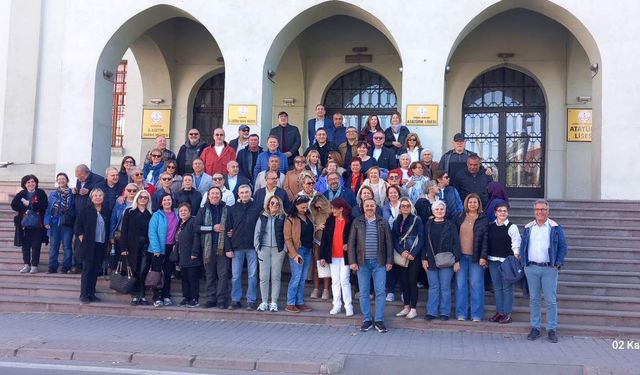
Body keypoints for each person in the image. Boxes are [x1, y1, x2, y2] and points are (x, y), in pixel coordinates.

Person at [520, 199, 568, 343]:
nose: (540, 212)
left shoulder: (555, 228)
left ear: (548, 211)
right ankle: (535, 328)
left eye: (543, 209)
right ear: (534, 211)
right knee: (534, 299)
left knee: (550, 301)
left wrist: (558, 263)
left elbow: (563, 247)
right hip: (531, 268)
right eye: (538, 209)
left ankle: (551, 329)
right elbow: (523, 246)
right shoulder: (528, 228)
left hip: (549, 268)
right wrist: (524, 264)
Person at [348, 198, 393, 333]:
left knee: (380, 292)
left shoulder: (383, 222)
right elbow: (351, 244)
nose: (369, 208)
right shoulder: (357, 222)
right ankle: (367, 320)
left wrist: (389, 261)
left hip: (379, 262)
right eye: (367, 206)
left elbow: (389, 243)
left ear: (375, 207)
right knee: (364, 293)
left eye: (371, 206)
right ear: (363, 207)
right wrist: (352, 261)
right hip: (362, 263)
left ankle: (379, 320)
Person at [422, 200, 461, 321]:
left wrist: (457, 260)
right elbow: (424, 243)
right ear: (433, 211)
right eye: (437, 209)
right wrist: (423, 258)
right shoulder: (427, 224)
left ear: (445, 211)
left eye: (441, 209)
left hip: (447, 260)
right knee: (433, 287)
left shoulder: (451, 225)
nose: (439, 211)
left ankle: (445, 312)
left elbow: (456, 243)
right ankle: (432, 312)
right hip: (431, 260)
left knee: (445, 287)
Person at [195, 186, 232, 309]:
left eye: (217, 194)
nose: (215, 196)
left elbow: (230, 228)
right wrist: (212, 228)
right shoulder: (202, 210)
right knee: (210, 275)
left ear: (221, 196)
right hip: (208, 248)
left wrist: (229, 245)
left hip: (222, 247)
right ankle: (210, 298)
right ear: (208, 196)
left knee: (223, 275)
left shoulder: (227, 209)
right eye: (212, 194)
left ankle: (222, 300)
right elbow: (197, 227)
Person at [454, 193, 489, 322]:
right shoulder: (459, 217)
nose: (472, 204)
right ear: (466, 204)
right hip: (461, 257)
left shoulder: (483, 219)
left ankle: (476, 314)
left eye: (475, 202)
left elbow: (486, 240)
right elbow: (454, 238)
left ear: (478, 204)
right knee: (460, 285)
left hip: (476, 257)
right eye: (470, 202)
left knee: (476, 285)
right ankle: (461, 313)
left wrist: (483, 256)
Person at [74, 188, 111, 304]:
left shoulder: (106, 211)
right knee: (87, 269)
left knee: (95, 270)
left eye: (100, 195)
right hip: (88, 245)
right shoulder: (86, 210)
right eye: (95, 195)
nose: (98, 197)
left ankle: (91, 293)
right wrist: (82, 238)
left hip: (101, 244)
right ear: (91, 197)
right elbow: (77, 226)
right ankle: (84, 294)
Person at [228, 184, 261, 310]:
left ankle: (251, 300)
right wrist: (228, 247)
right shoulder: (232, 209)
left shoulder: (257, 208)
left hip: (252, 246)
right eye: (242, 193)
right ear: (238, 194)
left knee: (252, 275)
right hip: (236, 246)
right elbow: (228, 228)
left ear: (251, 193)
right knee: (236, 275)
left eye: (246, 192)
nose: (244, 194)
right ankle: (235, 300)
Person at [487, 202, 521, 324]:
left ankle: (507, 313)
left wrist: (516, 257)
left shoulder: (512, 227)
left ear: (507, 213)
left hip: (507, 262)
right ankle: (500, 312)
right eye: (500, 211)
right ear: (495, 213)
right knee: (497, 287)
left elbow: (516, 244)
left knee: (507, 288)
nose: (502, 213)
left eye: (504, 211)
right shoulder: (491, 226)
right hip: (493, 261)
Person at [319, 198, 354, 316]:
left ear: (341, 209)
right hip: (333, 255)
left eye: (334, 208)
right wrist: (322, 256)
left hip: (345, 256)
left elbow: (355, 238)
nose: (332, 210)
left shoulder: (350, 221)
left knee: (344, 280)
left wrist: (349, 245)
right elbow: (324, 240)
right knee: (335, 281)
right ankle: (336, 305)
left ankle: (348, 306)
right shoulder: (330, 220)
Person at [392, 197, 425, 320]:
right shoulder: (397, 221)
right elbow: (394, 239)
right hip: (402, 255)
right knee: (403, 282)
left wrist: (413, 253)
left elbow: (422, 238)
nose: (405, 208)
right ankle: (406, 306)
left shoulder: (417, 220)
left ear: (411, 207)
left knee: (412, 281)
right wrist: (401, 252)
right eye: (403, 206)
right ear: (400, 208)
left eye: (408, 206)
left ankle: (413, 308)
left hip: (413, 257)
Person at [254, 195, 287, 312]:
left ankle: (273, 302)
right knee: (263, 277)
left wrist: (284, 249)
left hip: (278, 250)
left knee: (276, 276)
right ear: (268, 204)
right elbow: (257, 233)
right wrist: (258, 248)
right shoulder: (262, 217)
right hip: (264, 249)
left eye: (277, 204)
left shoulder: (283, 218)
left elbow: (287, 235)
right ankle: (264, 302)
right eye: (272, 203)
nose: (274, 206)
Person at [119, 189, 152, 306]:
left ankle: (142, 295)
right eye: (141, 197)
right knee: (133, 270)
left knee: (143, 271)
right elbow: (124, 231)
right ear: (137, 198)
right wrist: (123, 248)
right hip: (131, 246)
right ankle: (134, 296)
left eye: (145, 197)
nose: (143, 199)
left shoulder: (150, 214)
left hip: (145, 247)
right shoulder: (129, 211)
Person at [12, 174, 49, 274]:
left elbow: (44, 205)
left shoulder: (40, 193)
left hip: (38, 224)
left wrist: (30, 205)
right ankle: (26, 265)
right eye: (28, 182)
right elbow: (14, 205)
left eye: (32, 182)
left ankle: (34, 265)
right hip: (24, 224)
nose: (31, 184)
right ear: (25, 184)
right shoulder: (21, 194)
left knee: (36, 245)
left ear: (36, 183)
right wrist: (25, 209)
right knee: (25, 245)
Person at [148, 193, 179, 307]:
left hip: (171, 247)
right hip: (158, 248)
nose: (167, 202)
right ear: (161, 203)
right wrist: (156, 249)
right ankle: (156, 297)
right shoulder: (156, 215)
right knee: (157, 273)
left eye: (169, 200)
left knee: (168, 273)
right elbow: (152, 233)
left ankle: (166, 296)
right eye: (164, 200)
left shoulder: (177, 213)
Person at [284, 196, 314, 313]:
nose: (304, 209)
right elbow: (288, 239)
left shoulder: (309, 216)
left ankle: (299, 302)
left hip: (308, 250)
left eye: (306, 206)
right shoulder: (290, 219)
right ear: (296, 205)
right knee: (296, 277)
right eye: (302, 207)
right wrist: (294, 254)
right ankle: (290, 303)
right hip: (298, 251)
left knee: (302, 278)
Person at [44, 172, 75, 274]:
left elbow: (74, 208)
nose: (61, 181)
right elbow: (49, 208)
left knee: (67, 245)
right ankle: (52, 266)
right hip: (54, 222)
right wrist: (46, 221)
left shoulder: (72, 193)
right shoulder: (53, 194)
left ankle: (66, 266)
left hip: (67, 223)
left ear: (67, 180)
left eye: (63, 179)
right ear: (57, 181)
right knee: (54, 246)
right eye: (59, 179)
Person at [176, 202, 202, 308]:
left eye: (185, 210)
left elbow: (197, 238)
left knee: (193, 279)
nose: (183, 212)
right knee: (184, 279)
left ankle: (194, 299)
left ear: (190, 212)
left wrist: (194, 253)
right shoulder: (180, 223)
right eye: (181, 211)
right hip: (182, 256)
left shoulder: (193, 222)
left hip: (192, 256)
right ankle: (186, 297)